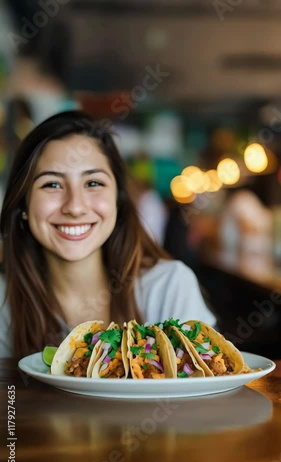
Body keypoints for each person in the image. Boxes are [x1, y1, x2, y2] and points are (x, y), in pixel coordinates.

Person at [0, 111, 216, 359]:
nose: (75, 207)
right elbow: (9, 399)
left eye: (93, 183)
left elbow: (205, 386)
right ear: (24, 205)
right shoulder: (4, 301)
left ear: (118, 200)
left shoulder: (168, 287)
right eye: (52, 184)